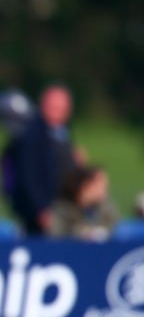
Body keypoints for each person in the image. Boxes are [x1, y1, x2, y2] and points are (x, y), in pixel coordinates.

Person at [8, 85, 84, 235]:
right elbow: (28, 175)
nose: (58, 112)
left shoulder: (63, 131)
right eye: (53, 107)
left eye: (61, 108)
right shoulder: (32, 135)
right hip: (43, 212)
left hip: (64, 206)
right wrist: (40, 208)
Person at [49, 165, 119, 241]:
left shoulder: (105, 206)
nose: (105, 190)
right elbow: (55, 235)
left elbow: (116, 229)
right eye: (100, 185)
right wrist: (80, 232)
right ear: (85, 186)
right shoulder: (62, 209)